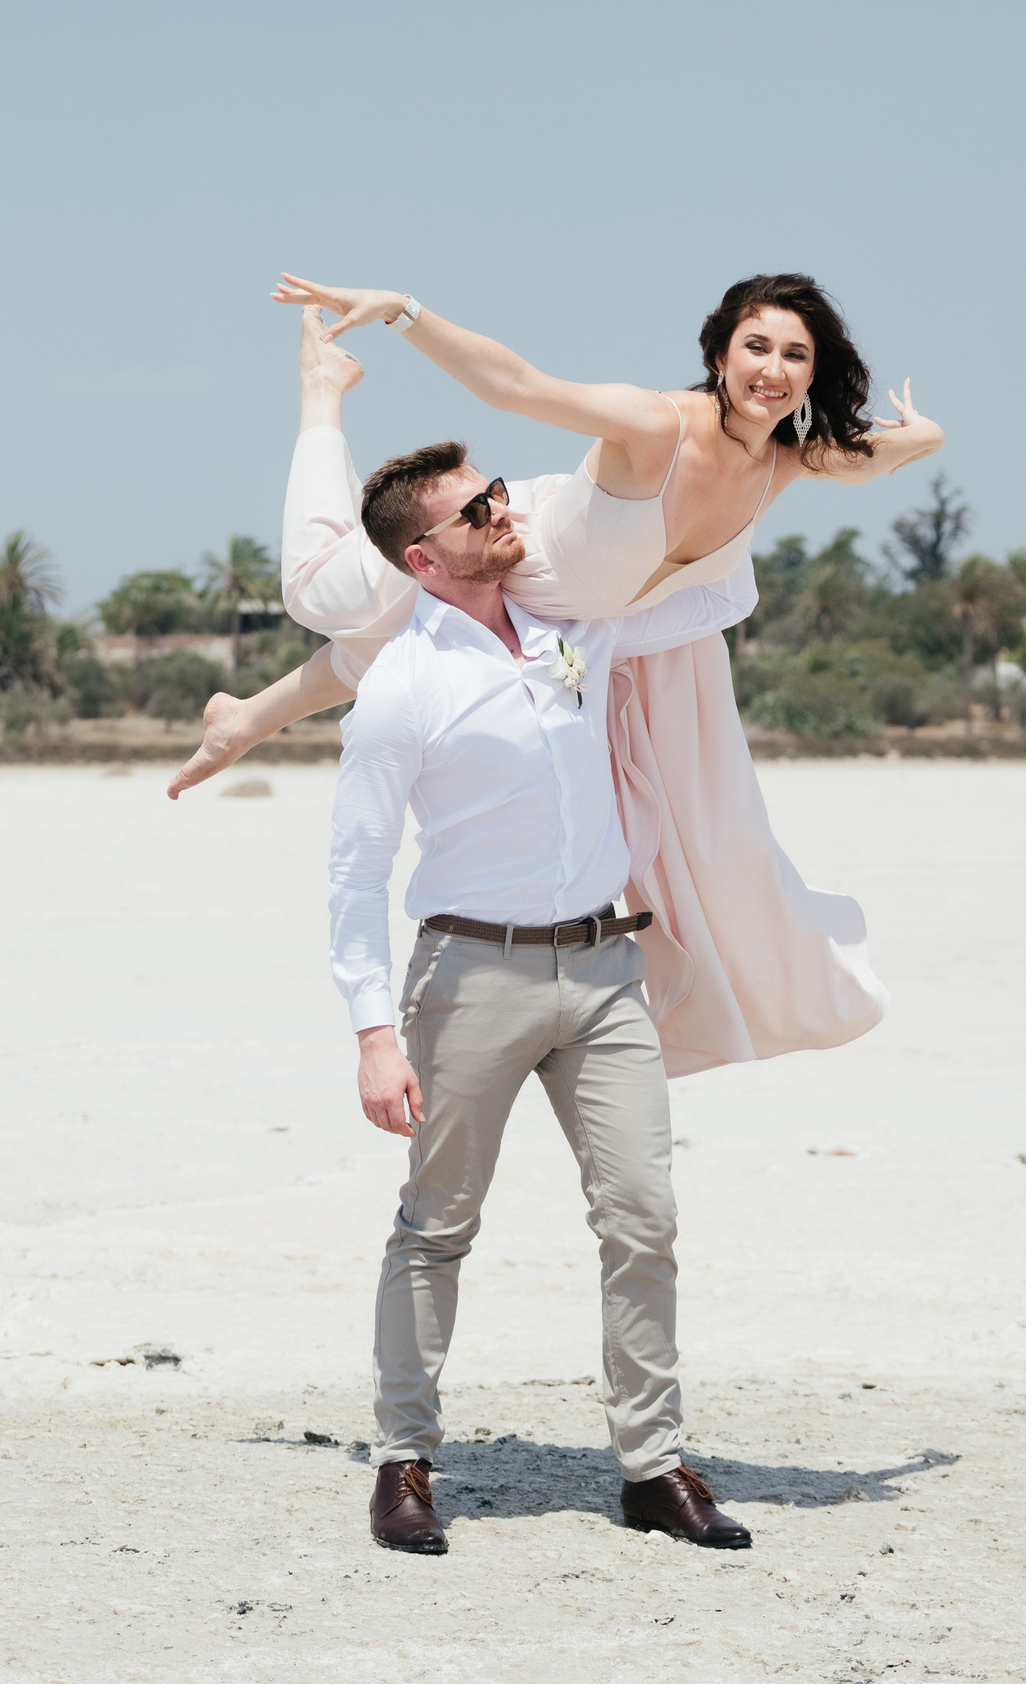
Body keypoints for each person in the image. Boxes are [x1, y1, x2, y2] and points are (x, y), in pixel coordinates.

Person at [179, 278, 944, 1077]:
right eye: (756, 347)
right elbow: (517, 385)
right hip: (509, 547)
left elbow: (863, 461)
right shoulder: (657, 424)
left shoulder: (781, 459)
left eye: (796, 355)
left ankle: (243, 718)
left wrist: (926, 434)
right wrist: (406, 312)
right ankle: (321, 391)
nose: (773, 370)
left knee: (394, 647)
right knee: (315, 592)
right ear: (719, 355)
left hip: (600, 611)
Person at [332, 425, 759, 1554]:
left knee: (643, 1216)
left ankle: (652, 1467)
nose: (505, 513)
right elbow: (356, 872)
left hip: (608, 968)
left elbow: (713, 593)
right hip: (470, 975)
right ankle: (405, 1461)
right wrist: (376, 1035)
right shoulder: (400, 689)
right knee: (436, 1225)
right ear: (423, 559)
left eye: (501, 494)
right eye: (477, 511)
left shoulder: (575, 626)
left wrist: (755, 453)